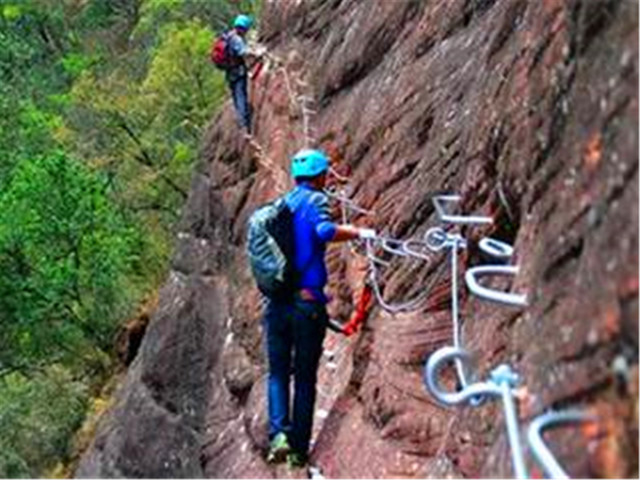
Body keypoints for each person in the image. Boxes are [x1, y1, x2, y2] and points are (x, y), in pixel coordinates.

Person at [263, 149, 376, 468]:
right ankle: (298, 450)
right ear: (320, 175)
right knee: (305, 379)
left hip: (276, 304)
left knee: (277, 373)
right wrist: (357, 232)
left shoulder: (281, 206)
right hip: (307, 305)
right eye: (326, 173)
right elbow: (324, 232)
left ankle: (278, 436)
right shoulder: (315, 201)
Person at [223, 14, 263, 135]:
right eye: (246, 29)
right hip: (238, 72)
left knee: (236, 96)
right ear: (243, 28)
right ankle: (244, 126)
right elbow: (243, 52)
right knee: (241, 97)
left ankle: (241, 122)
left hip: (229, 72)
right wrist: (257, 54)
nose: (246, 31)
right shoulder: (237, 39)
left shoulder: (228, 36)